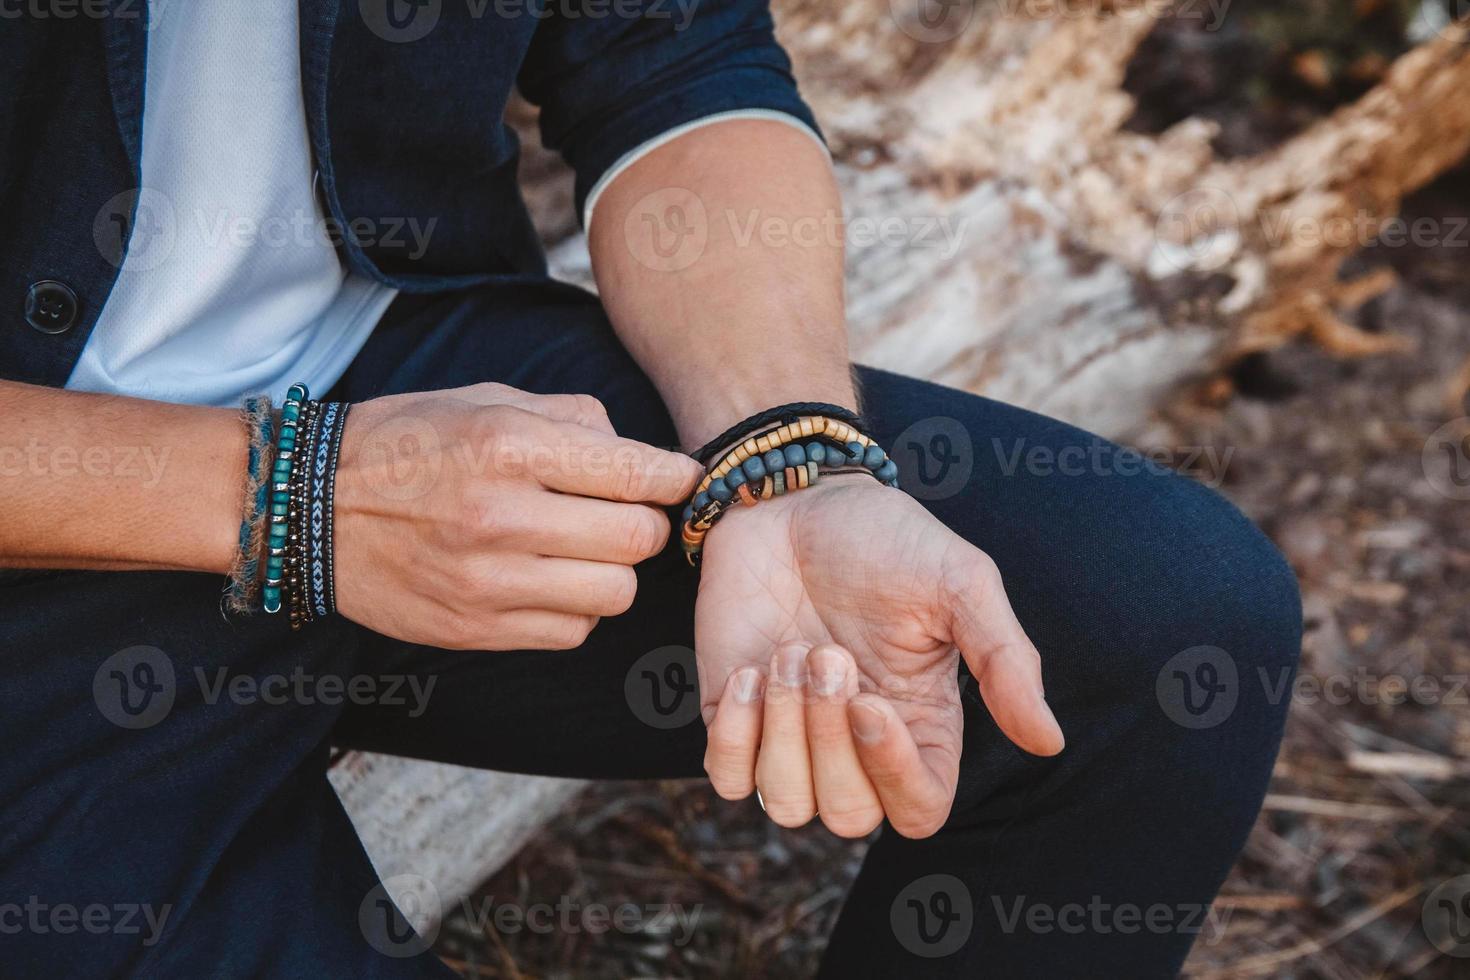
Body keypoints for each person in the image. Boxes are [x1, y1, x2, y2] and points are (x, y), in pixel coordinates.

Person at [0, 0, 1301, 976]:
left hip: (429, 409)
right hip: (44, 544)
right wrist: (283, 498)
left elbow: (671, 62)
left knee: (1163, 615)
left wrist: (785, 460)